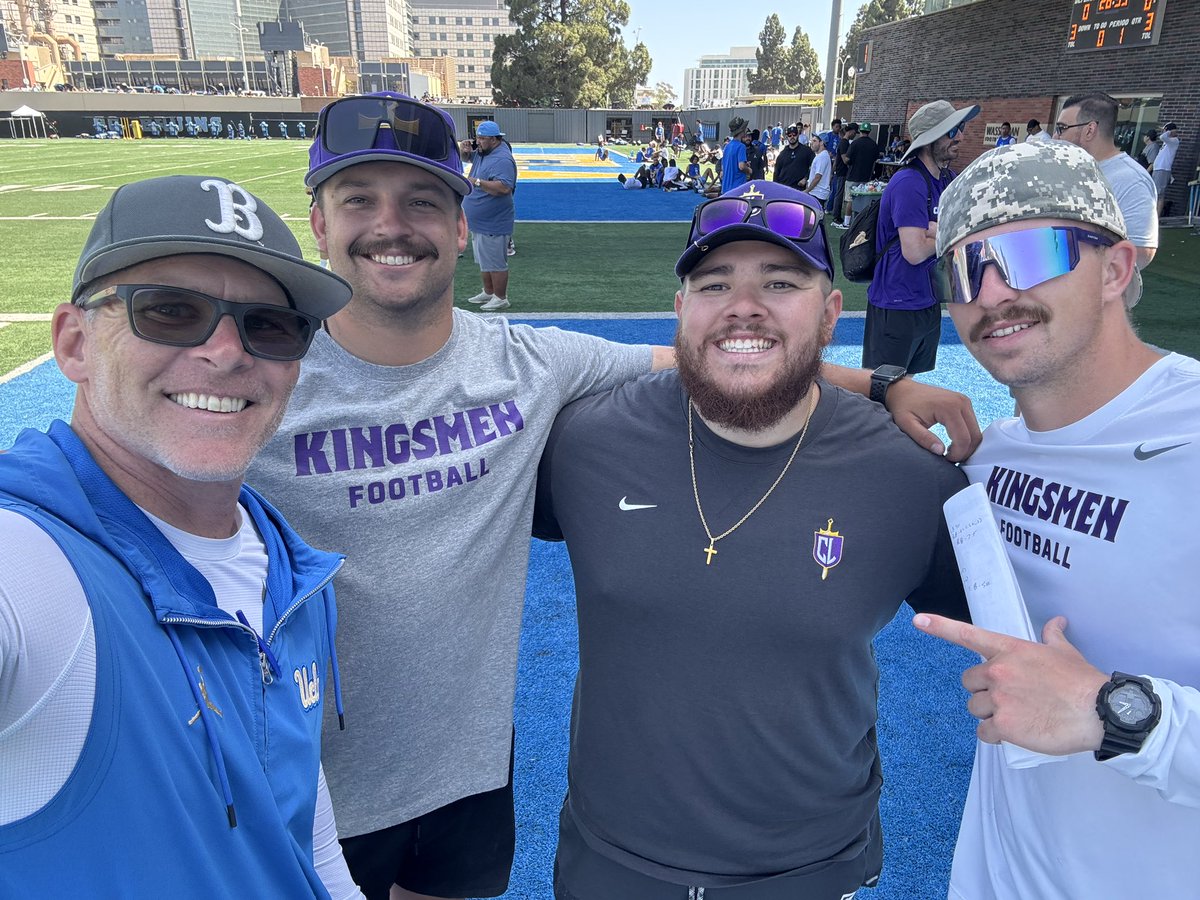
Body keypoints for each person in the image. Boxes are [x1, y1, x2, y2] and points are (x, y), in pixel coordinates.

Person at [249, 91, 981, 900]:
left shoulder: (535, 368)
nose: (391, 225)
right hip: (296, 788)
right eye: (358, 200)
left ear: (463, 226)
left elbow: (711, 359)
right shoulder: (254, 385)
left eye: (422, 200)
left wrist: (879, 384)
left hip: (464, 784)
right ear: (316, 222)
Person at [534, 180, 970, 900]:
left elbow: (1030, 626)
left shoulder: (911, 475)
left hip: (809, 870)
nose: (744, 307)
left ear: (830, 313)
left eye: (780, 281)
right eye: (714, 283)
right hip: (612, 860)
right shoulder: (584, 440)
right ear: (680, 310)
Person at [0, 174, 362, 899]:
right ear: (74, 343)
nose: (226, 352)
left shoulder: (285, 562)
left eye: (270, 325)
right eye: (170, 311)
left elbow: (299, 822)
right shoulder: (27, 561)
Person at [914, 139, 1200, 900]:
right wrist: (880, 386)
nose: (993, 291)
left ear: (1115, 268)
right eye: (963, 270)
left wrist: (1112, 711)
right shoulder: (988, 462)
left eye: (1029, 251)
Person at [863, 99, 979, 374]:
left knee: (910, 387)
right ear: (930, 139)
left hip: (928, 300)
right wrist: (946, 232)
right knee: (882, 391)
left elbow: (968, 226)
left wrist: (938, 232)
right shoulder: (908, 182)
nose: (960, 136)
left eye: (959, 127)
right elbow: (913, 251)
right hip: (897, 304)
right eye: (952, 131)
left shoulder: (948, 179)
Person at [1053, 92, 1157, 304]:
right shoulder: (1073, 169)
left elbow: (1143, 251)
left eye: (1062, 128)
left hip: (1094, 301)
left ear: (1090, 130)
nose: (1055, 137)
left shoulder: (1131, 180)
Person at [460, 120, 518, 312]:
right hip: (479, 221)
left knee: (495, 262)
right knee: (484, 260)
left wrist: (476, 182)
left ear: (494, 139)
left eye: (482, 138)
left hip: (493, 221)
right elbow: (467, 159)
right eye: (477, 137)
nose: (478, 141)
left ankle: (501, 297)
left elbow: (504, 187)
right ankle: (488, 291)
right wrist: (464, 151)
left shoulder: (502, 159)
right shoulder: (485, 153)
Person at [840, 122, 880, 227]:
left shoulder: (855, 143)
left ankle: (847, 223)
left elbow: (847, 159)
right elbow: (876, 160)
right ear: (869, 131)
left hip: (853, 175)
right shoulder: (873, 144)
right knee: (863, 201)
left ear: (860, 131)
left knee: (850, 200)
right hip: (866, 177)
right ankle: (861, 223)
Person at [1151, 121, 1181, 216]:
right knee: (1155, 192)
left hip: (1163, 170)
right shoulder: (1167, 143)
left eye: (1165, 130)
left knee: (1159, 194)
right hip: (1159, 169)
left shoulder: (1174, 141)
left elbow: (1162, 137)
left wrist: (1171, 131)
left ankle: (1156, 216)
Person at [772, 124, 814, 190]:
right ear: (787, 137)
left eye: (794, 135)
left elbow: (814, 166)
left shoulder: (806, 151)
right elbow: (776, 173)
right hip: (784, 188)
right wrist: (775, 188)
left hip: (799, 189)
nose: (792, 137)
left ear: (798, 135)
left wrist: (806, 178)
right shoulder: (782, 153)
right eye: (789, 135)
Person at [721, 116, 751, 193]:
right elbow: (741, 166)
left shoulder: (727, 146)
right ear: (741, 130)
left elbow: (725, 166)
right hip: (737, 188)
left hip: (726, 187)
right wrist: (749, 170)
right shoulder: (741, 146)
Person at [806, 133, 832, 205]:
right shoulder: (822, 155)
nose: (811, 143)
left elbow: (818, 177)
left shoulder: (822, 157)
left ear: (821, 143)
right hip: (817, 193)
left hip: (817, 193)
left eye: (814, 141)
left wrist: (807, 190)